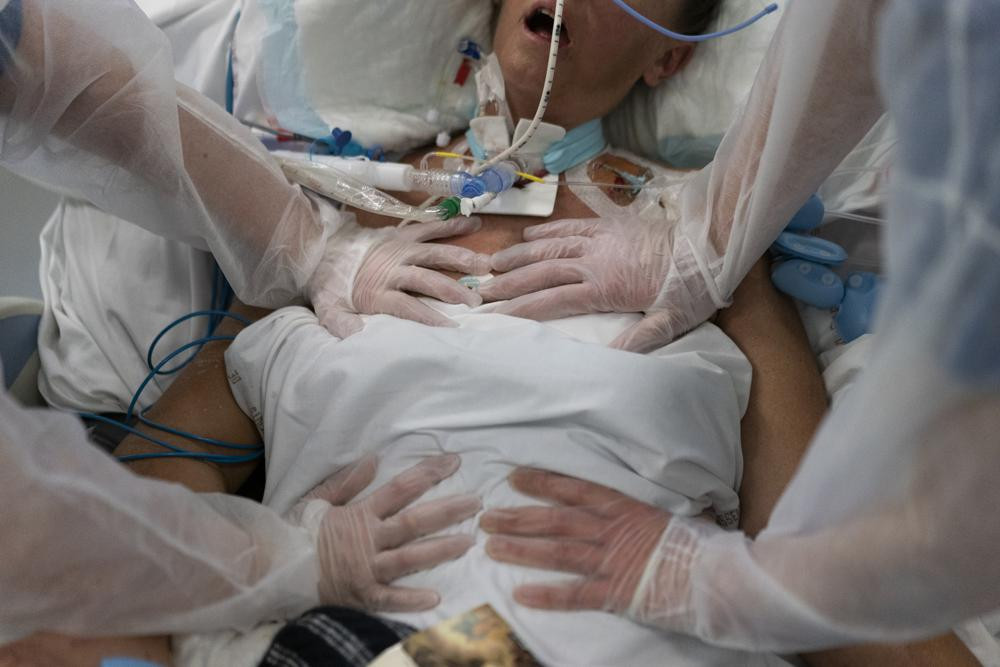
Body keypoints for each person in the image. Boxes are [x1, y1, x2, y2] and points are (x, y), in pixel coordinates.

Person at [8, 2, 979, 665]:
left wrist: (709, 579)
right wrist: (271, 553)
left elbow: (828, 562)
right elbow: (135, 506)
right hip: (352, 626)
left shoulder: (716, 258)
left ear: (669, 58)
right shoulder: (319, 236)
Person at [477, 0, 1000, 655]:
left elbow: (805, 524)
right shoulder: (325, 206)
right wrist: (309, 554)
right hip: (404, 600)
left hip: (584, 611)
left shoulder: (713, 231)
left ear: (668, 57)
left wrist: (715, 583)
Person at [0, 0, 483, 640]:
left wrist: (303, 243)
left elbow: (41, 56)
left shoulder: (659, 255)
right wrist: (281, 565)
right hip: (389, 616)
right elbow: (61, 553)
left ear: (667, 58)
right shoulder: (301, 296)